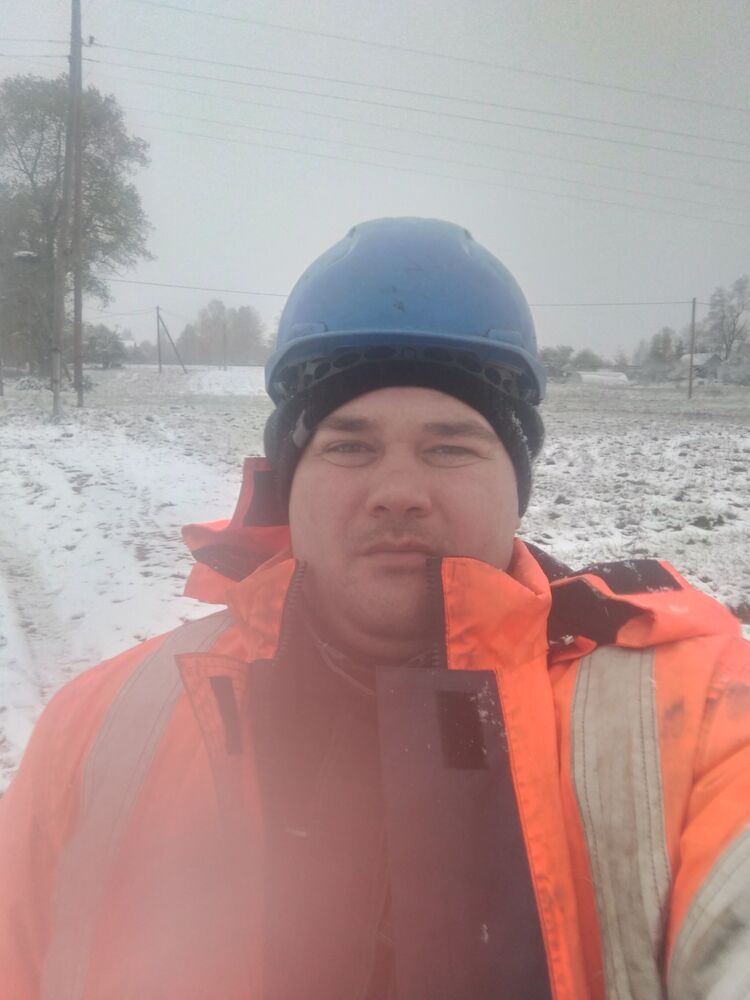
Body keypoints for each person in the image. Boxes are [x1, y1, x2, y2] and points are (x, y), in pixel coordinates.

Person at [1, 217, 748, 1000]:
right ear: (290, 482)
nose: (397, 492)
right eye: (349, 445)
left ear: (516, 484)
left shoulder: (695, 718)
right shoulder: (96, 730)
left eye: (450, 446)